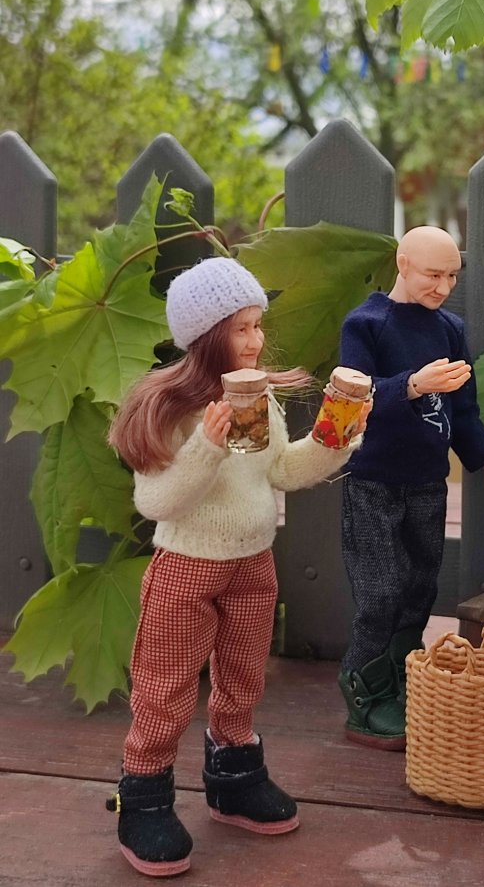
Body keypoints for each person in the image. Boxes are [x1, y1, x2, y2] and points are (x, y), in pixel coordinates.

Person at [106, 257, 366, 878]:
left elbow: (279, 470)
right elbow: (156, 501)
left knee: (244, 677)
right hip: (186, 567)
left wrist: (335, 437)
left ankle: (233, 774)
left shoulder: (259, 394)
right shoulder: (168, 405)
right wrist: (206, 445)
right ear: (204, 336)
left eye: (258, 326)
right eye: (242, 328)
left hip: (253, 563)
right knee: (165, 685)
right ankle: (142, 795)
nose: (255, 341)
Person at [337, 225, 484, 749]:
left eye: (451, 275)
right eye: (432, 274)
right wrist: (414, 385)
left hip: (427, 483)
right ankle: (363, 689)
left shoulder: (449, 328)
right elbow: (351, 395)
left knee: (420, 586)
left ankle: (399, 683)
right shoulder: (367, 323)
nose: (443, 286)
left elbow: (463, 412)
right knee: (379, 592)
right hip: (373, 482)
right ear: (402, 264)